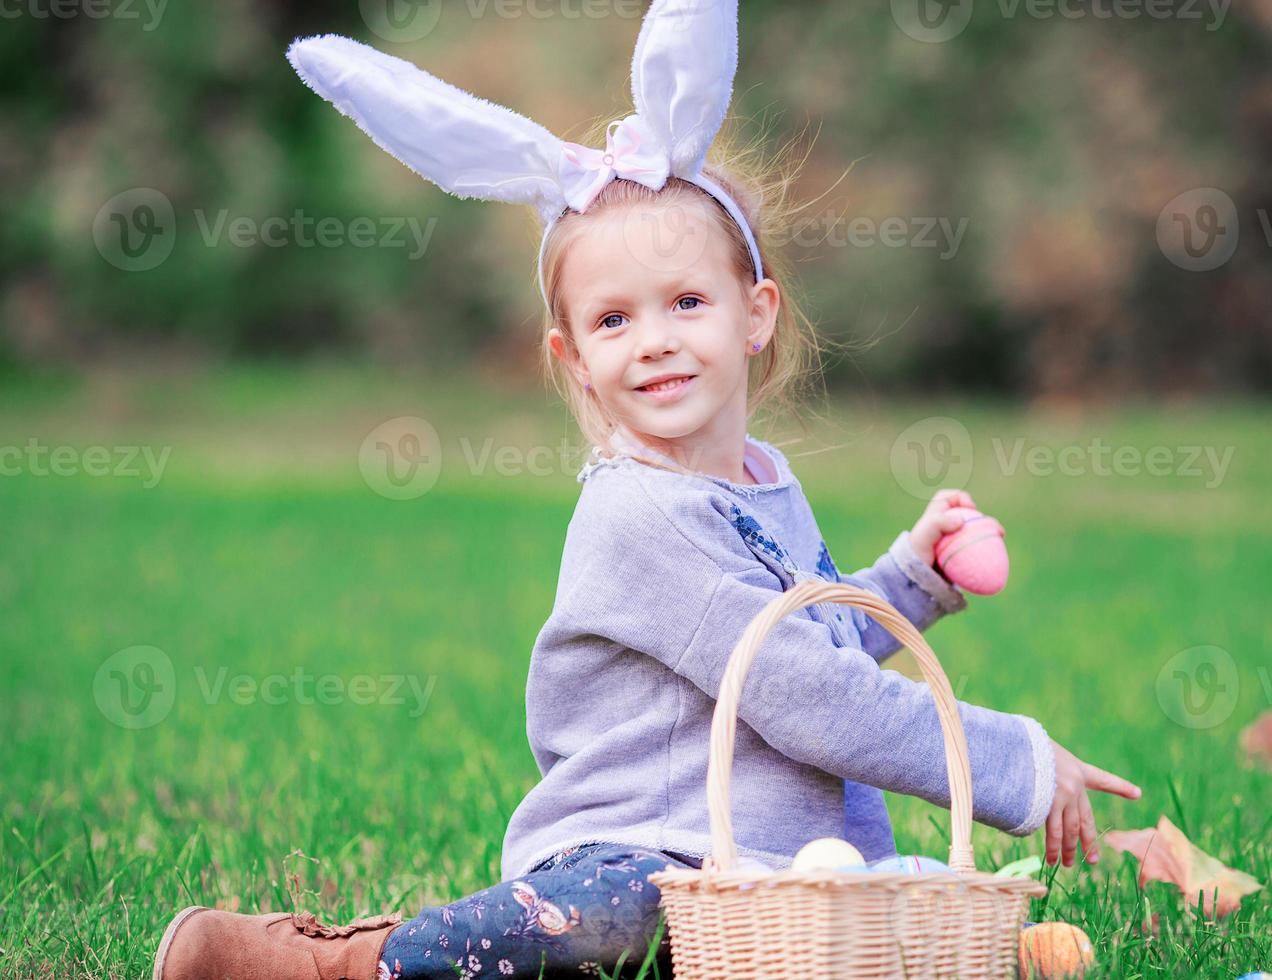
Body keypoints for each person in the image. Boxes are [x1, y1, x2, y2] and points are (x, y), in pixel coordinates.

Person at [152, 3, 1141, 978]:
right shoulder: (641, 515)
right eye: (614, 319)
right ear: (574, 356)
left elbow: (795, 638)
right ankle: (356, 963)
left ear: (755, 315)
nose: (656, 339)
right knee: (622, 915)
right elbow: (811, 698)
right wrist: (1016, 759)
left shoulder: (762, 482)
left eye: (688, 302)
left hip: (755, 874)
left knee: (872, 923)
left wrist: (908, 581)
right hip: (638, 850)